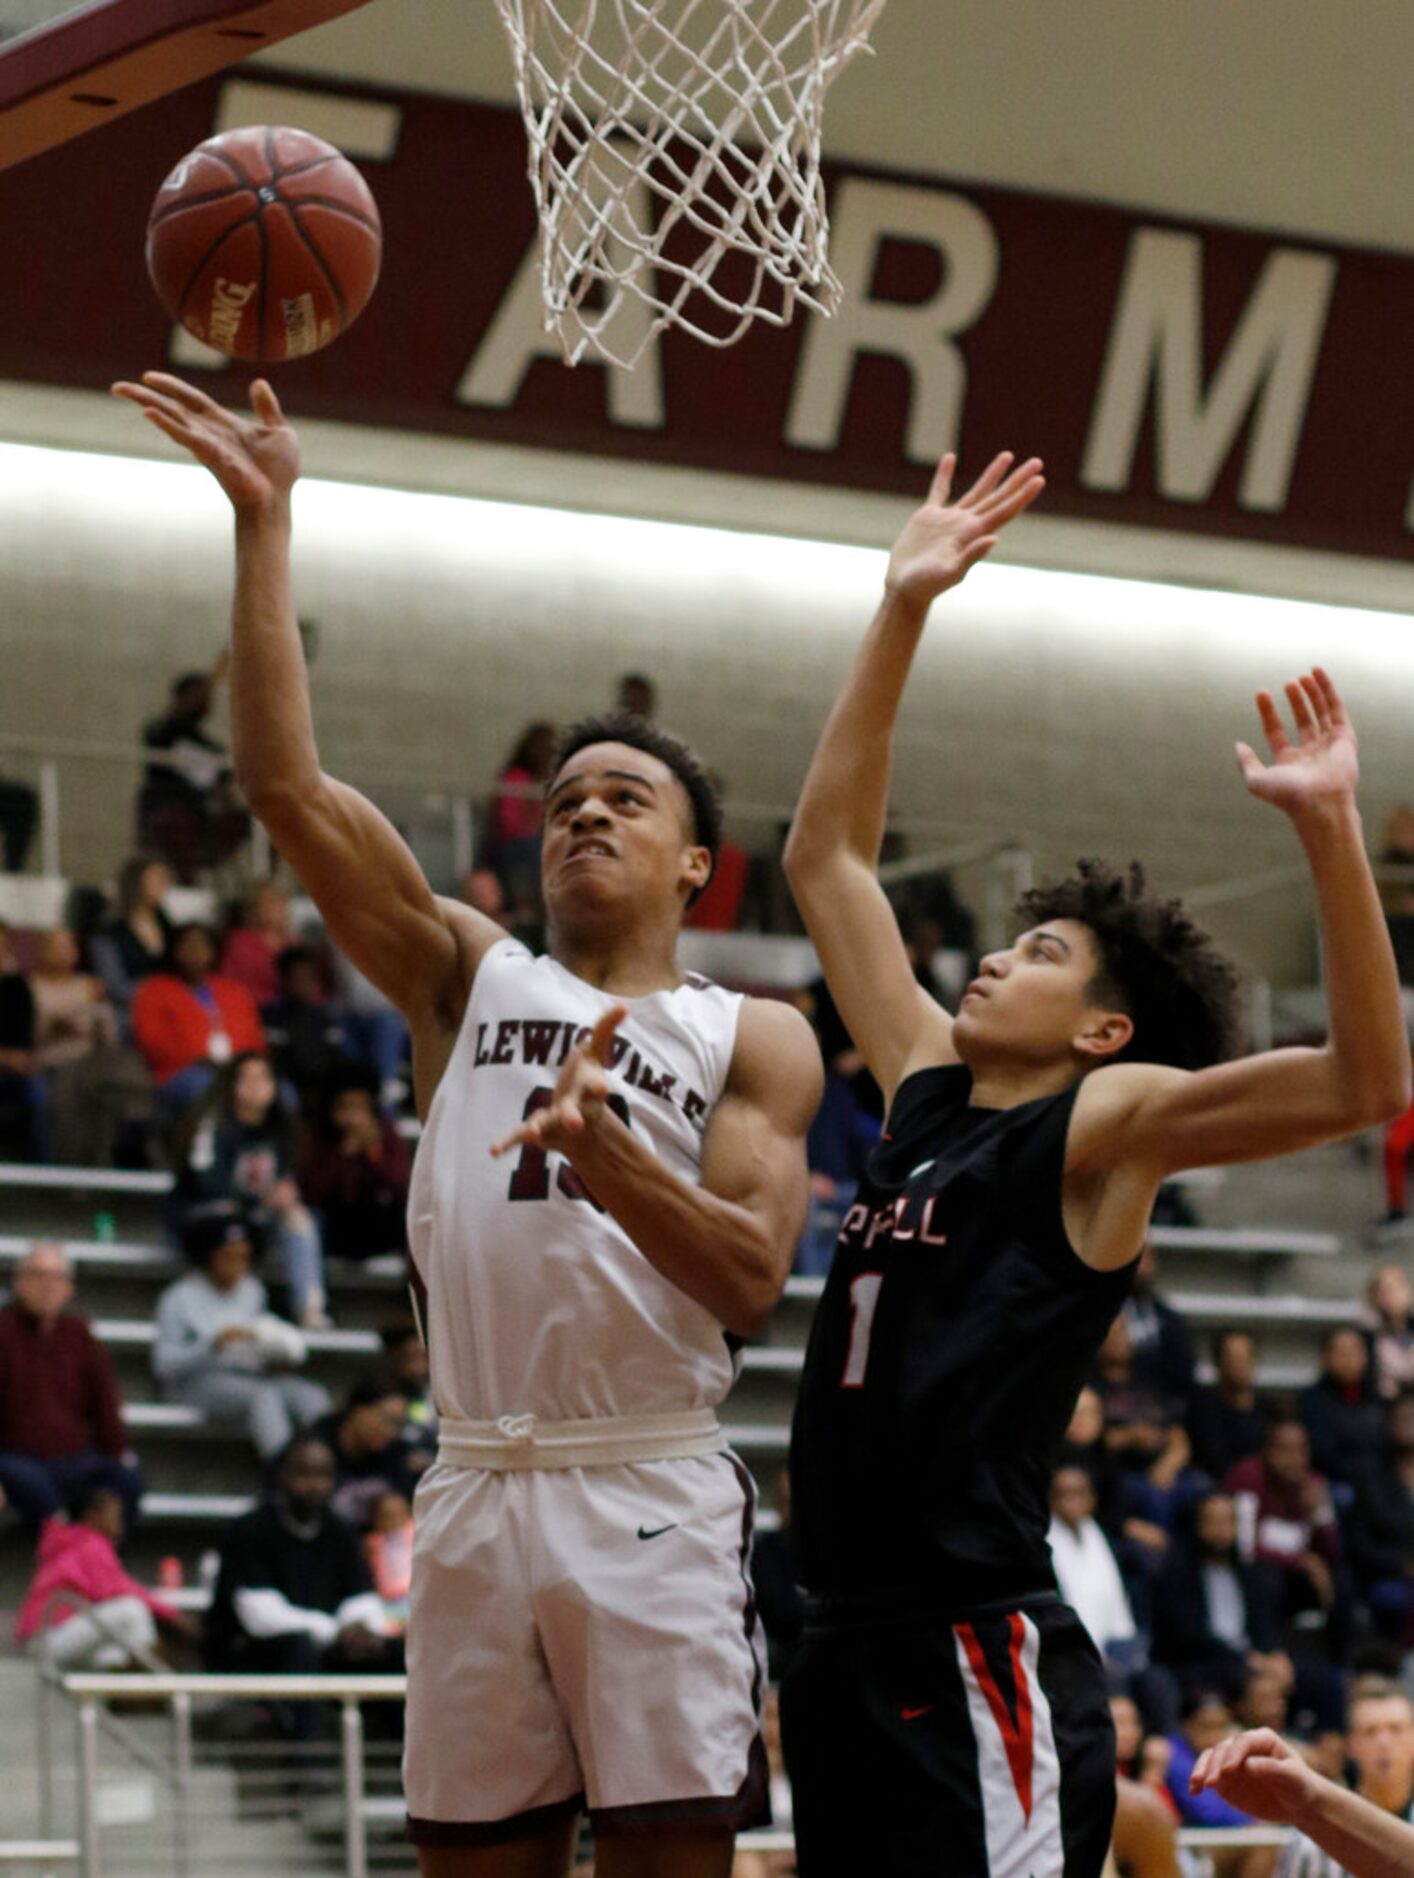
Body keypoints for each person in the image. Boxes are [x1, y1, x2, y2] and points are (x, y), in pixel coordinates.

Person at [112, 368, 821, 1878]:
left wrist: (608, 1155)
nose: (584, 813)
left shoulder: (750, 1032)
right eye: (566, 797)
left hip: (647, 1474)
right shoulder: (461, 967)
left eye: (625, 798)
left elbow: (752, 1277)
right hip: (477, 1477)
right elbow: (285, 787)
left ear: (699, 865)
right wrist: (264, 521)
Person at [777, 445, 1410, 1878]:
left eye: (1042, 951)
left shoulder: (1098, 1122)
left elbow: (1366, 1081)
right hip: (841, 1639)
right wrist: (901, 608)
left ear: (1106, 1028)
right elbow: (825, 859)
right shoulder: (932, 1090)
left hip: (971, 1641)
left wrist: (1325, 833)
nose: (996, 954)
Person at [204, 1434, 401, 1742]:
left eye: (323, 1475)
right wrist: (335, 1630)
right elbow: (260, 1614)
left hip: (329, 1646)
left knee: (390, 1650)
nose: (314, 1485)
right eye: (304, 1474)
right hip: (256, 1652)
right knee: (300, 1649)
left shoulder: (340, 1530)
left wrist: (359, 1627)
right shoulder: (249, 1529)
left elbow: (361, 1594)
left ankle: (399, 1766)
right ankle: (309, 1771)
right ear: (282, 1477)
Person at [152, 1213, 330, 1462]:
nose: (238, 1265)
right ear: (209, 1257)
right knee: (264, 1397)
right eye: (229, 1256)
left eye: (244, 1257)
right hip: (198, 1381)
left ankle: (322, 1465)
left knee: (311, 1395)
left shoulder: (253, 1291)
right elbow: (164, 1365)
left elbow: (258, 1340)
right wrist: (213, 1345)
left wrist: (275, 1352)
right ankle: (283, 1471)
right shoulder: (178, 1298)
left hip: (252, 1375)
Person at [172, 1051, 329, 1326]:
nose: (254, 1085)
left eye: (262, 1078)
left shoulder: (284, 1129)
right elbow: (204, 1183)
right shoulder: (212, 1124)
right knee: (230, 1227)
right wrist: (258, 1198)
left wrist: (285, 1193)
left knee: (299, 1220)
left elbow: (294, 1178)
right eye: (246, 1078)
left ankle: (309, 1307)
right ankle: (233, 1314)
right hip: (206, 1212)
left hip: (258, 1214)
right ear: (231, 1084)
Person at [1192, 1690, 1414, 1878]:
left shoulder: (1317, 1815)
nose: (1385, 1742)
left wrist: (1313, 1803)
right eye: (1371, 1732)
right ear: (1352, 1744)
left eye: (1396, 1729)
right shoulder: (1308, 1843)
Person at [0, 1242, 144, 1531]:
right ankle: (64, 1548)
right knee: (34, 1486)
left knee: (127, 1479)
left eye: (56, 1277)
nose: (47, 1286)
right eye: (38, 1275)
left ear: (69, 1288)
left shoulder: (79, 1333)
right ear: (19, 1282)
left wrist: (119, 1452)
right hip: (15, 1458)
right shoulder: (3, 1330)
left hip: (73, 1458)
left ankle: (99, 1561)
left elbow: (104, 1402)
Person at [15, 1481, 195, 1668]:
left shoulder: (69, 1541)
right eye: (114, 1514)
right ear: (92, 1516)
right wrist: (174, 1617)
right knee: (131, 1610)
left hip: (46, 1640)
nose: (120, 1521)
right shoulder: (90, 1543)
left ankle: (134, 1688)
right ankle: (151, 1679)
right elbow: (118, 1589)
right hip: (50, 1637)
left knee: (112, 1656)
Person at [28, 925, 155, 1166]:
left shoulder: (91, 986)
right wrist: (52, 1027)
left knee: (126, 1078)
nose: (66, 952)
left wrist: (96, 1025)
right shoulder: (29, 987)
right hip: (53, 1062)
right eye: (58, 946)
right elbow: (25, 1034)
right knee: (64, 1095)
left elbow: (109, 1032)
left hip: (96, 1061)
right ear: (42, 951)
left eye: (70, 945)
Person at [1225, 1416, 1345, 1648]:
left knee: (1342, 1581)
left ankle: (1341, 1661)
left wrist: (1319, 1517)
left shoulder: (1314, 1483)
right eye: (1285, 1449)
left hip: (1298, 1574)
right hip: (1256, 1570)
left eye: (1301, 1450)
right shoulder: (1247, 1477)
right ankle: (1266, 1653)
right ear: (1267, 1450)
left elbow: (1331, 1551)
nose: (1294, 1458)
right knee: (1265, 1579)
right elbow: (1244, 1546)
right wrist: (1297, 1560)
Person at [130, 921, 265, 1113]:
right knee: (207, 1087)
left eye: (202, 944)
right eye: (188, 945)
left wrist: (240, 1062)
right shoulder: (153, 990)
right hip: (180, 1072)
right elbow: (151, 1041)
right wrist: (198, 1058)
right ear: (174, 950)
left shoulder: (232, 990)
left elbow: (254, 1037)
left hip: (237, 1069)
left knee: (281, 1091)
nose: (195, 951)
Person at [137, 657, 249, 881]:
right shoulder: (162, 732)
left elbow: (223, 771)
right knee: (179, 825)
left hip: (203, 809)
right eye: (200, 696)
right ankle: (184, 878)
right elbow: (162, 732)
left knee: (247, 819)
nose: (207, 702)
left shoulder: (207, 746)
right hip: (168, 804)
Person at [299, 1064, 412, 1262]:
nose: (353, 1117)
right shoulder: (320, 1136)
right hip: (335, 1222)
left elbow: (402, 1187)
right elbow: (313, 1192)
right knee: (310, 1220)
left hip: (378, 1221)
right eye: (345, 1107)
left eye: (360, 1107)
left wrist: (373, 1153)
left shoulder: (385, 1134)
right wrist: (344, 1154)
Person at [312, 1376, 421, 1530]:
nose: (392, 1432)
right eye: (389, 1420)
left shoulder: (396, 1452)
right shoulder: (315, 1448)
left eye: (400, 1425)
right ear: (358, 1411)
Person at [90, 855, 174, 1039]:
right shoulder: (110, 931)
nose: (164, 884)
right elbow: (114, 984)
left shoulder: (169, 928)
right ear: (137, 881)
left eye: (165, 878)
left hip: (169, 1008)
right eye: (157, 878)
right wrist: (154, 995)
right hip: (128, 1012)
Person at [1299, 1327, 1385, 1491]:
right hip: (1336, 1483)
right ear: (1325, 1358)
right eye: (1341, 1353)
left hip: (1379, 1481)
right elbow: (1322, 1455)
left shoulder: (1375, 1398)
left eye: (1355, 1352)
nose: (1348, 1359)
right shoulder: (1313, 1399)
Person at [1190, 1329, 1270, 1481]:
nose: (1240, 1366)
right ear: (1219, 1363)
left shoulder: (1271, 1410)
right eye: (1233, 1359)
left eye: (1245, 1358)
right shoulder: (1203, 1409)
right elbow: (1211, 1459)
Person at [0, 917, 44, 1158]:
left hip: (12, 1075)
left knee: (38, 1090)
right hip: (7, 1063)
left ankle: (40, 1170)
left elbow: (24, 1045)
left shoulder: (16, 988)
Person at [1363, 1267, 1414, 1401]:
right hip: (1381, 1407)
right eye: (1385, 1290)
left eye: (1397, 1288)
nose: (1392, 1296)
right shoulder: (1367, 1333)